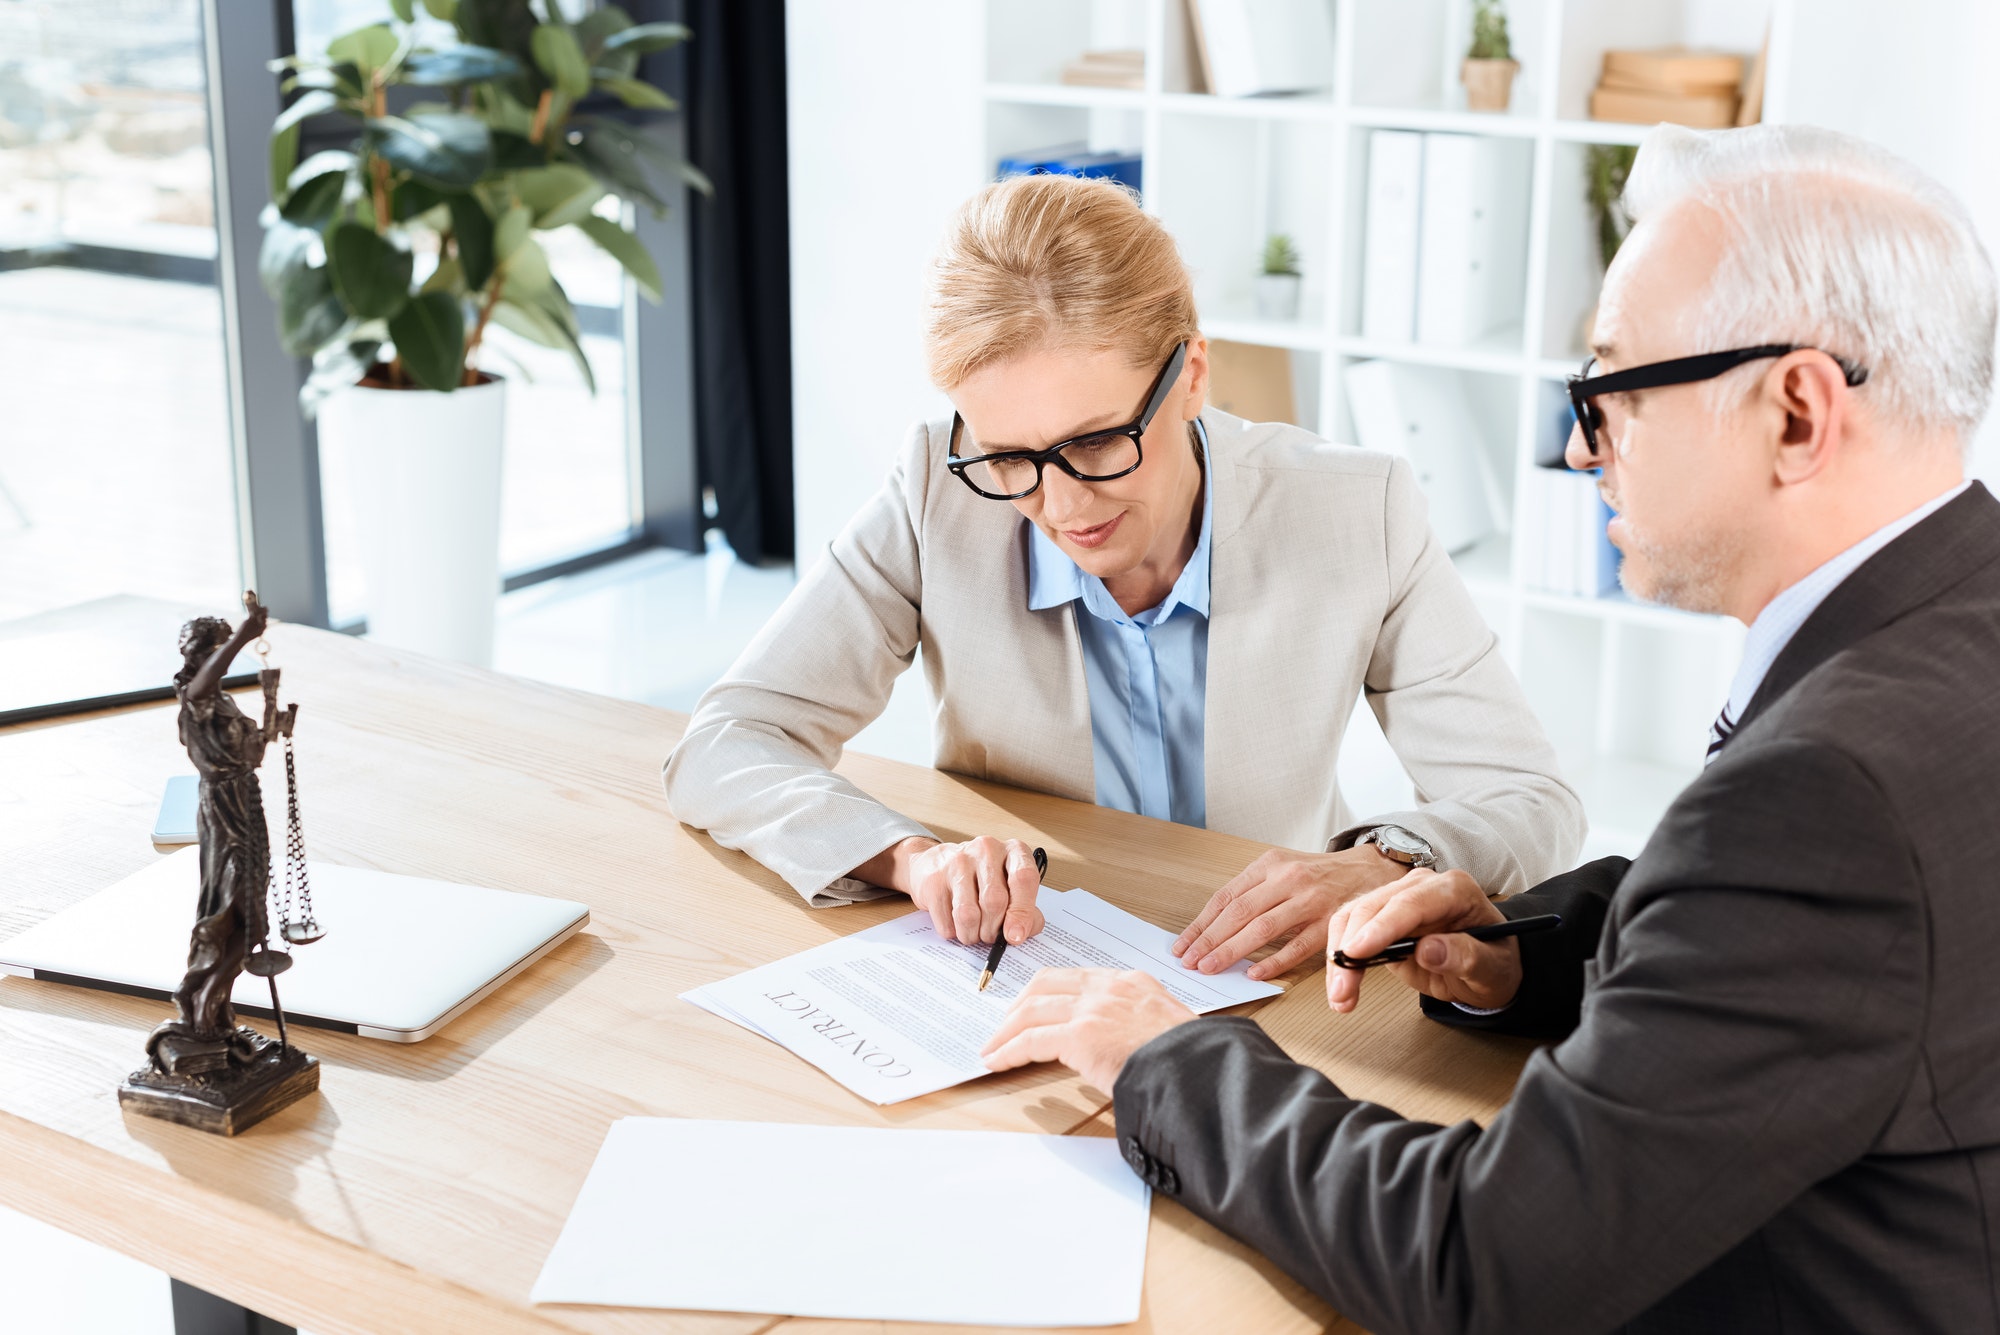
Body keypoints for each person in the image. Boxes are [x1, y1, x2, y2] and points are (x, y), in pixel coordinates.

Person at [981, 123, 2000, 1333]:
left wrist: (1169, 1065)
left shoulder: (1823, 796)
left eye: (1610, 391)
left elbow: (1486, 1266)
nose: (1579, 448)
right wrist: (1531, 948)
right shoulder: (1952, 622)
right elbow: (1823, 956)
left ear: (1794, 413)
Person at [664, 172, 1581, 976]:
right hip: (1026, 965)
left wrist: (1386, 861)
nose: (1061, 507)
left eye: (1098, 441)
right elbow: (729, 738)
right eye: (1010, 456)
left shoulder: (1356, 509)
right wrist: (909, 856)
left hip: (1271, 971)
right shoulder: (938, 491)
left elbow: (1533, 801)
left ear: (1192, 375)